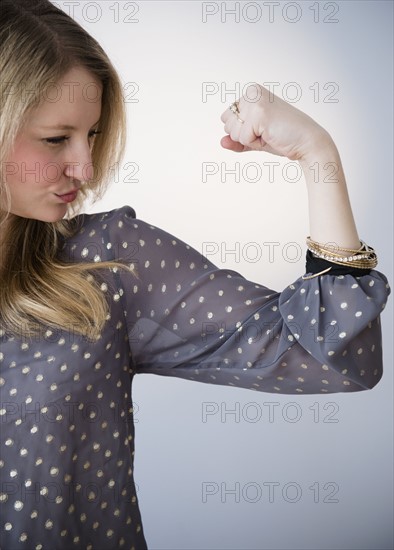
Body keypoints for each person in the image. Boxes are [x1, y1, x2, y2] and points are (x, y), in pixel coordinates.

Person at [0, 0, 390, 549]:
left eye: (91, 135)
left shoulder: (106, 264)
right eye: (55, 138)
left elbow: (333, 356)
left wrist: (316, 154)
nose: (85, 168)